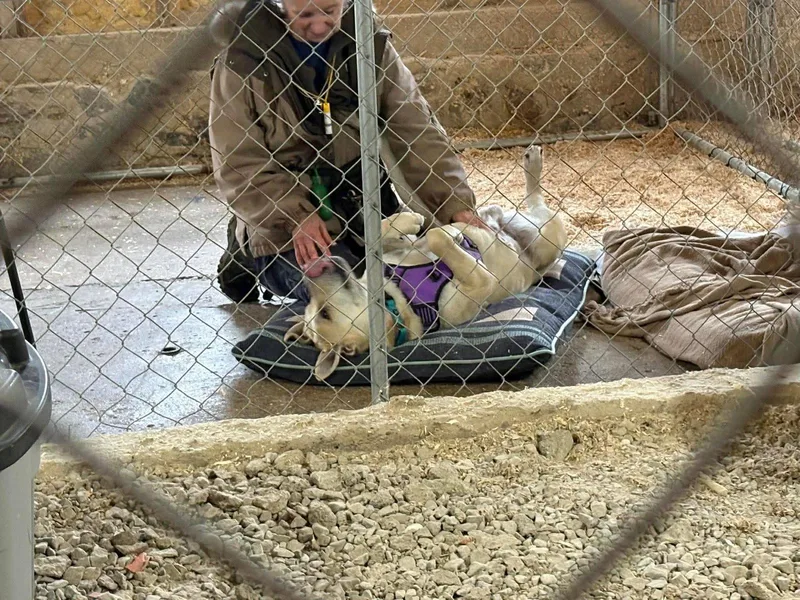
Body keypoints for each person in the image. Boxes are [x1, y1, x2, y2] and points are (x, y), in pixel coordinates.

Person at [208, 0, 486, 304]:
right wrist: (292, 216)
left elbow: (415, 128)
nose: (319, 26)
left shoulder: (368, 40)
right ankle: (247, 248)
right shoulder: (242, 59)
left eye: (330, 10)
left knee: (429, 281)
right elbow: (238, 162)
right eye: (305, 14)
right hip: (290, 214)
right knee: (352, 298)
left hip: (364, 200)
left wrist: (453, 204)